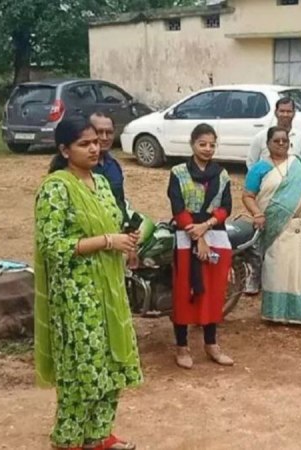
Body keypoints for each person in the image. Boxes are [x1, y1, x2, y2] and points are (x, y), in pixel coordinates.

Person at [34, 116, 143, 450]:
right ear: (65, 150)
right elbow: (51, 245)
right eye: (85, 143)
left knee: (112, 364)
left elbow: (112, 225)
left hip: (110, 288)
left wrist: (127, 239)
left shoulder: (102, 183)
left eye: (96, 142)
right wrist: (107, 241)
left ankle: (99, 435)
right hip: (77, 296)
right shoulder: (56, 188)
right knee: (82, 370)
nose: (94, 148)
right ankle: (68, 440)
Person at [243, 126, 301, 324]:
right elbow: (248, 196)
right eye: (276, 141)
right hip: (277, 227)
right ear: (268, 144)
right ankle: (277, 313)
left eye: (285, 140)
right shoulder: (259, 168)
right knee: (278, 269)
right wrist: (257, 213)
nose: (281, 144)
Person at [167, 123, 235, 369]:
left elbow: (226, 207)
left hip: (216, 236)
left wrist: (205, 226)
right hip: (186, 236)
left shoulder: (222, 174)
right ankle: (182, 346)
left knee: (212, 291)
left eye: (212, 145)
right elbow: (178, 208)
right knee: (185, 291)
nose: (207, 149)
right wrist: (197, 237)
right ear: (192, 144)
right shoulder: (178, 172)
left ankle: (211, 343)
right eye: (202, 144)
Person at [244, 97, 301, 295]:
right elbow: (251, 163)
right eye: (282, 111)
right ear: (276, 112)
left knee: (290, 248)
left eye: (289, 111)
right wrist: (267, 184)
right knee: (263, 244)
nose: (285, 114)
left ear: (294, 113)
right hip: (268, 199)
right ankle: (257, 279)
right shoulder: (260, 137)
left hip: (294, 202)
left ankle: (289, 284)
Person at [90, 112, 130, 223]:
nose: (105, 137)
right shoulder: (79, 169)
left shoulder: (113, 165)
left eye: (109, 132)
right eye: (99, 132)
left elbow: (120, 201)